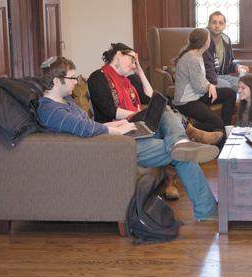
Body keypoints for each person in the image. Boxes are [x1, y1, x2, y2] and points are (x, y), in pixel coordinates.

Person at [37, 56, 218, 221]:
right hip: (111, 148)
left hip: (111, 140)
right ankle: (206, 208)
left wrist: (118, 124)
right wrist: (121, 130)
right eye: (72, 78)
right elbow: (86, 129)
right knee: (181, 155)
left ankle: (179, 141)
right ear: (55, 81)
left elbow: (91, 126)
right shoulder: (51, 111)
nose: (75, 82)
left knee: (164, 112)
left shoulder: (64, 101)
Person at [88, 42, 221, 200]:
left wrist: (140, 73)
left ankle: (180, 144)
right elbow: (111, 111)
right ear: (118, 55)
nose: (134, 64)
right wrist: (143, 113)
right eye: (132, 59)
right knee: (165, 113)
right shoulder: (98, 77)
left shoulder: (129, 81)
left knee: (163, 108)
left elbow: (151, 98)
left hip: (139, 126)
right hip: (120, 131)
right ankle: (185, 139)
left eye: (136, 62)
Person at [174, 28, 236, 136]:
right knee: (218, 125)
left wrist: (209, 85)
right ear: (205, 42)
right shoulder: (192, 58)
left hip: (198, 95)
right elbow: (199, 87)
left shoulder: (197, 53)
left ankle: (226, 129)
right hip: (186, 102)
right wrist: (210, 86)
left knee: (230, 93)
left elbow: (201, 80)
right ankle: (190, 126)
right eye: (209, 39)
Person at [203, 11, 248, 92]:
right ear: (209, 24)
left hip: (220, 76)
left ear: (224, 26)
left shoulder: (226, 40)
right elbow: (205, 66)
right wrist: (215, 82)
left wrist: (237, 67)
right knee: (226, 86)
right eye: (214, 22)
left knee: (245, 84)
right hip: (204, 77)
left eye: (220, 23)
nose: (217, 26)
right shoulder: (203, 38)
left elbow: (227, 65)